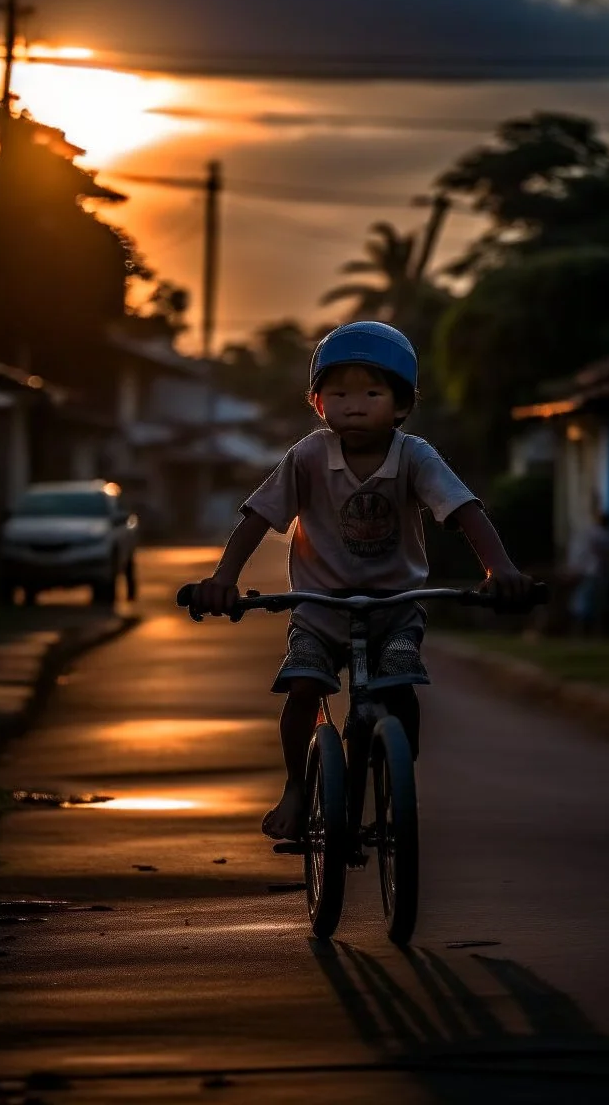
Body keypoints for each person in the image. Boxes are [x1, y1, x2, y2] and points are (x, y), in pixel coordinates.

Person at [191, 321, 534, 842]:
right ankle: (296, 789)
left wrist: (499, 568)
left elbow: (463, 510)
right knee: (305, 685)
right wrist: (223, 579)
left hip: (396, 607)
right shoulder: (307, 456)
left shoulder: (415, 456)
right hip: (319, 609)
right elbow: (259, 516)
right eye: (339, 392)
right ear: (318, 402)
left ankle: (397, 783)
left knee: (399, 684)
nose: (354, 404)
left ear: (400, 405)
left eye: (372, 392)